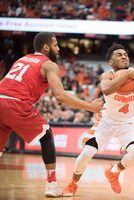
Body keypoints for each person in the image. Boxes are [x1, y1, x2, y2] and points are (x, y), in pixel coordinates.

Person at [0, 32, 103, 197]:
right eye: (56, 45)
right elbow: (60, 96)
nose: (59, 49)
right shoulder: (48, 64)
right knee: (46, 135)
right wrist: (90, 107)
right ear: (46, 47)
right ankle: (51, 185)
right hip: (16, 102)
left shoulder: (22, 59)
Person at [62, 43, 134, 196]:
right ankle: (73, 184)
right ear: (111, 62)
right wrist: (127, 75)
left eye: (125, 54)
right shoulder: (107, 75)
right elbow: (106, 88)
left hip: (129, 123)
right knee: (87, 153)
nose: (124, 56)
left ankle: (114, 172)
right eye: (119, 55)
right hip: (106, 122)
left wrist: (132, 73)